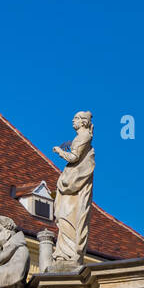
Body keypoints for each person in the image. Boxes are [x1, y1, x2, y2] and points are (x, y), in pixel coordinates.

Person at [52, 111, 95, 265]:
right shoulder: (80, 137)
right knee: (64, 216)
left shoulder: (83, 137)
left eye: (76, 118)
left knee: (68, 216)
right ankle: (64, 253)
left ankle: (69, 253)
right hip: (70, 182)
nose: (73, 120)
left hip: (73, 184)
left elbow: (74, 157)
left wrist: (59, 151)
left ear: (83, 122)